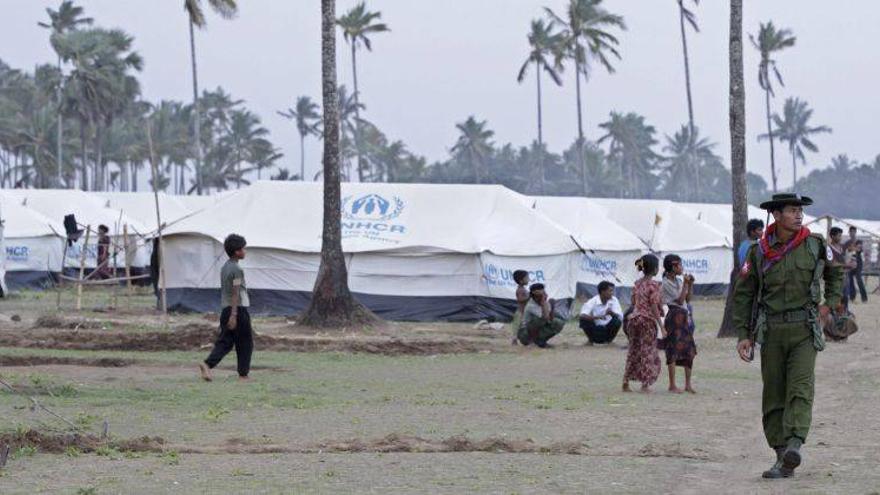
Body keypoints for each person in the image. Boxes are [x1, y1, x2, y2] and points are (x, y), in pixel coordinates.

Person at [732, 193, 843, 479]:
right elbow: (744, 295)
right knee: (774, 394)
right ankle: (781, 455)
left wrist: (828, 304)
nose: (799, 215)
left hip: (804, 330)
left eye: (800, 210)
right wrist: (743, 334)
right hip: (770, 332)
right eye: (792, 211)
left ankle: (795, 444)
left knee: (800, 388)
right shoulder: (758, 253)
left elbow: (835, 275)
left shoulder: (815, 245)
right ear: (777, 216)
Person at [199, 234, 254, 382]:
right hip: (237, 309)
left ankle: (207, 364)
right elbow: (236, 291)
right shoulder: (236, 269)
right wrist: (234, 314)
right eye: (243, 249)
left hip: (225, 308)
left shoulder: (225, 267)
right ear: (237, 251)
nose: (245, 251)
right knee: (245, 342)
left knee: (226, 342)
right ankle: (243, 374)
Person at [623, 254, 664, 393]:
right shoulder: (654, 285)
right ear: (654, 269)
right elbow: (653, 305)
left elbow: (634, 302)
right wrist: (661, 326)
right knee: (647, 351)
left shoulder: (637, 283)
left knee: (633, 351)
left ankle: (626, 381)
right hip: (647, 321)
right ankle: (645, 384)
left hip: (634, 320)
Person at [660, 255, 697, 394]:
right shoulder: (666, 283)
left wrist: (690, 284)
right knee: (673, 349)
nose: (681, 268)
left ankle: (688, 384)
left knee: (688, 350)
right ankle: (672, 384)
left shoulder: (679, 280)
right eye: (679, 265)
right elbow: (680, 300)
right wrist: (686, 285)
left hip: (683, 316)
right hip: (674, 316)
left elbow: (688, 299)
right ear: (673, 267)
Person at [517, 283, 564, 348]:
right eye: (543, 294)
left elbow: (550, 319)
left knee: (558, 322)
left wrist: (552, 307)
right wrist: (543, 304)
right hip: (525, 334)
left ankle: (540, 342)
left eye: (545, 292)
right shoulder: (531, 305)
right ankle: (532, 342)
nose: (546, 295)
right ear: (536, 296)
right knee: (539, 319)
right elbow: (545, 317)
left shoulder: (545, 302)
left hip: (536, 330)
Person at [579, 281, 623, 345]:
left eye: (612, 291)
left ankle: (609, 341)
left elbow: (620, 317)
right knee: (583, 320)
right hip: (596, 329)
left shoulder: (614, 300)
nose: (612, 293)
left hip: (608, 328)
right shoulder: (593, 300)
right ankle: (591, 340)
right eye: (610, 291)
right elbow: (582, 315)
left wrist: (611, 313)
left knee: (617, 321)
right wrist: (597, 317)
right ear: (603, 292)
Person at [510, 270, 530, 345]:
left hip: (524, 311)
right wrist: (529, 297)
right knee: (517, 327)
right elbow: (520, 299)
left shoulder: (523, 289)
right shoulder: (520, 290)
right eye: (527, 278)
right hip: (520, 312)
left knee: (521, 326)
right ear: (521, 281)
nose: (528, 279)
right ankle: (514, 340)